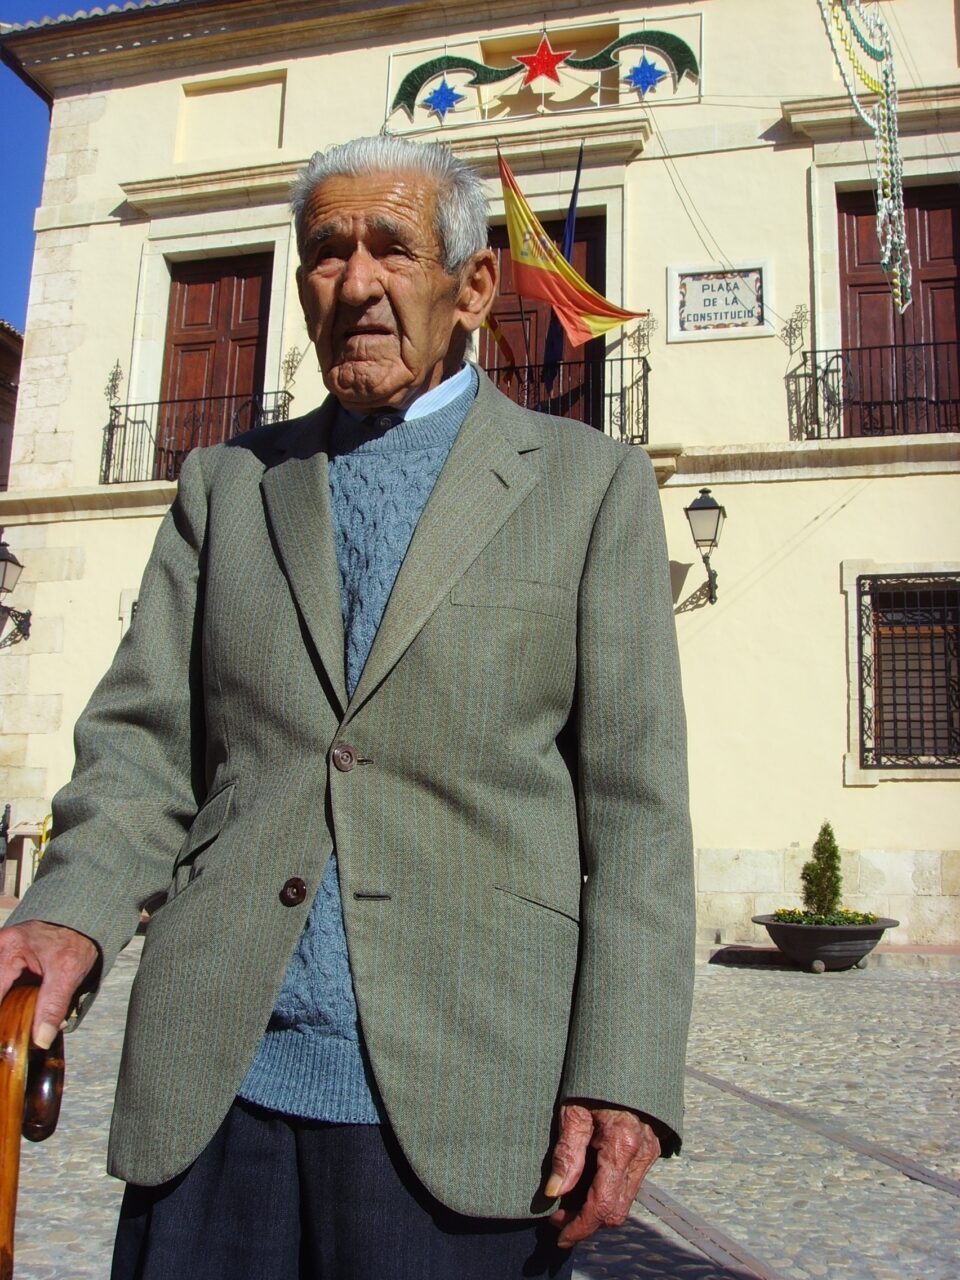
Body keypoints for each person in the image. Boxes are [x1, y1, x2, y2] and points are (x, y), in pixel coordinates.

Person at [0, 136, 694, 1279]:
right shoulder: (229, 486)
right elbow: (141, 747)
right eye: (326, 254)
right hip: (216, 1090)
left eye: (392, 249)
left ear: (473, 287)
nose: (357, 283)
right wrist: (71, 906)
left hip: (469, 1097)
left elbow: (638, 812)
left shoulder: (588, 486)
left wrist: (623, 1066)